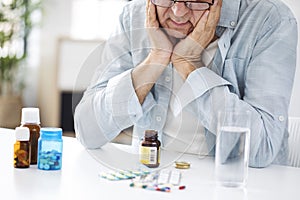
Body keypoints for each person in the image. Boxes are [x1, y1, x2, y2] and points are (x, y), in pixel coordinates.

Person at [74, 0, 298, 168]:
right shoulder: (134, 15)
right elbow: (87, 131)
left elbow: (263, 149)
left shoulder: (270, 20)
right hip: (152, 182)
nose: (178, 12)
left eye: (195, 0)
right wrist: (155, 59)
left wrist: (189, 65)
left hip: (238, 187)